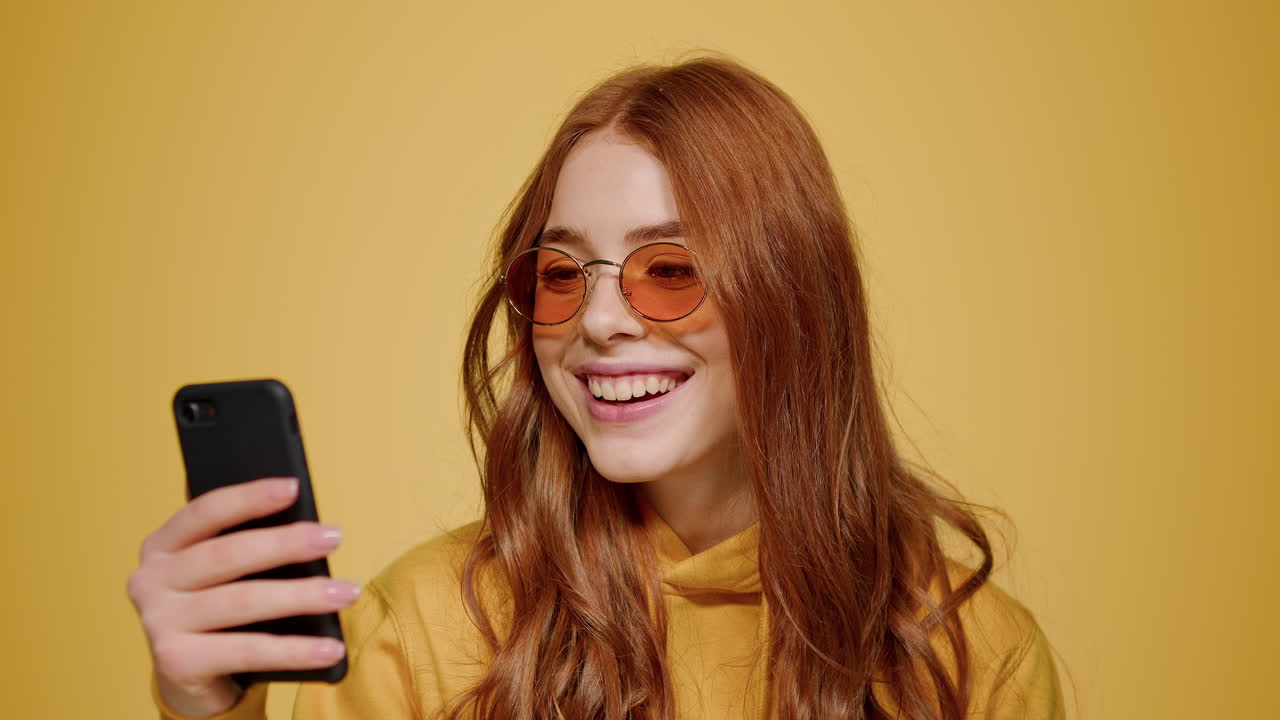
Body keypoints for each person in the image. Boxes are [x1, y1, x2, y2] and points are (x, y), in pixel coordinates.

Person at [128, 55, 1065, 720]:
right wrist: (205, 710)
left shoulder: (969, 654)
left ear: (792, 300)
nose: (601, 321)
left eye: (669, 270)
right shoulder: (418, 628)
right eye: (564, 275)